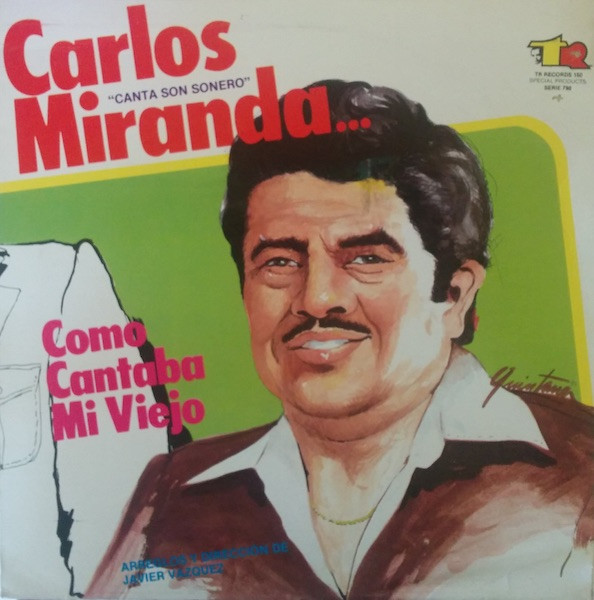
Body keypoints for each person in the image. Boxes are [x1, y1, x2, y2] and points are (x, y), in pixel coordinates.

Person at [87, 81, 594, 600]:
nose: (317, 298)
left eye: (367, 258)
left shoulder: (583, 469)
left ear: (455, 296)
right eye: (279, 261)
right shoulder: (175, 491)